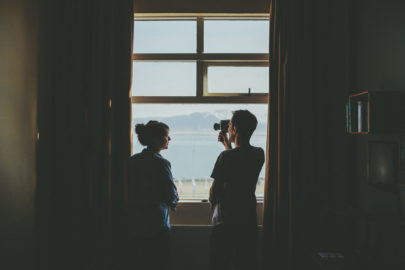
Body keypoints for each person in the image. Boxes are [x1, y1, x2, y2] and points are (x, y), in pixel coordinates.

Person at [209, 110, 265, 270]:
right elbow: (240, 160)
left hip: (225, 221)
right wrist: (228, 144)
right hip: (247, 218)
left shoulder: (225, 157)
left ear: (235, 129)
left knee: (220, 263)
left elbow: (215, 191)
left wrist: (212, 209)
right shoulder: (259, 153)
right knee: (245, 262)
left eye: (231, 125)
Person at [127, 120, 178, 270]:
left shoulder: (132, 161)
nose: (169, 139)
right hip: (157, 224)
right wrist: (174, 200)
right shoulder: (161, 163)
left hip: (135, 222)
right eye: (167, 136)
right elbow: (171, 194)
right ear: (156, 139)